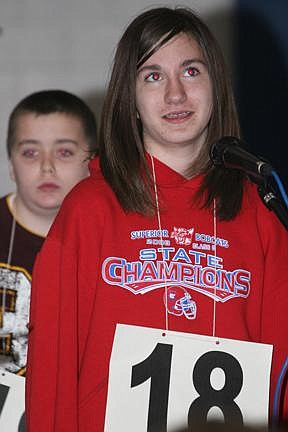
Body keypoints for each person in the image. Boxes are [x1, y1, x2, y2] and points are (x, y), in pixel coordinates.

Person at [26, 7, 288, 432]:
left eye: (190, 71)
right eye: (152, 76)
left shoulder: (260, 209)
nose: (175, 95)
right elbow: (51, 368)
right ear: (129, 98)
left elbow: (281, 376)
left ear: (216, 85)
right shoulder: (89, 208)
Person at [0, 89, 97, 375]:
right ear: (11, 166)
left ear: (92, 161)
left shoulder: (114, 239)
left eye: (64, 152)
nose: (47, 167)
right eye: (30, 153)